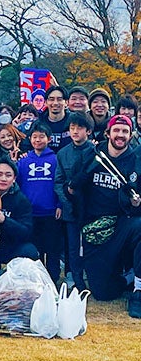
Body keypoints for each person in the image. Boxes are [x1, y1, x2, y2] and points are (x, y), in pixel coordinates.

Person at [71, 114, 141, 317]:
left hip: (122, 225)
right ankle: (127, 277)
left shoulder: (136, 161)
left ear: (130, 135)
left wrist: (135, 203)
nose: (120, 135)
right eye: (116, 130)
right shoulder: (92, 154)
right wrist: (84, 176)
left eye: (125, 131)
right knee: (102, 292)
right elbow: (72, 188)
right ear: (108, 133)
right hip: (96, 228)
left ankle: (138, 287)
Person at [16, 121, 61, 284]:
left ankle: (53, 279)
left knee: (53, 248)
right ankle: (37, 279)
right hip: (31, 213)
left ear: (49, 139)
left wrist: (59, 205)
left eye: (41, 137)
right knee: (36, 249)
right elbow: (18, 185)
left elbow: (60, 184)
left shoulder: (56, 159)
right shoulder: (24, 160)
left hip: (50, 212)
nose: (37, 140)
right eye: (34, 137)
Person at [54, 112, 95, 291]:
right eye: (72, 128)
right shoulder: (63, 153)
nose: (75, 131)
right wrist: (67, 198)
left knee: (91, 244)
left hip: (92, 208)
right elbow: (58, 181)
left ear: (88, 131)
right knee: (72, 247)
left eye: (79, 128)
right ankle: (76, 279)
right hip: (71, 209)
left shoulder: (95, 151)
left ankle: (92, 277)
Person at [0, 159, 38, 264]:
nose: (3, 179)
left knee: (29, 250)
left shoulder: (21, 200)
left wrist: (4, 220)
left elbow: (26, 232)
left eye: (8, 175)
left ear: (14, 179)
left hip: (8, 245)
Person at [39, 85, 71, 153]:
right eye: (51, 99)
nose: (55, 103)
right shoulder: (38, 123)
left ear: (66, 102)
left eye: (59, 99)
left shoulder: (74, 121)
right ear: (45, 102)